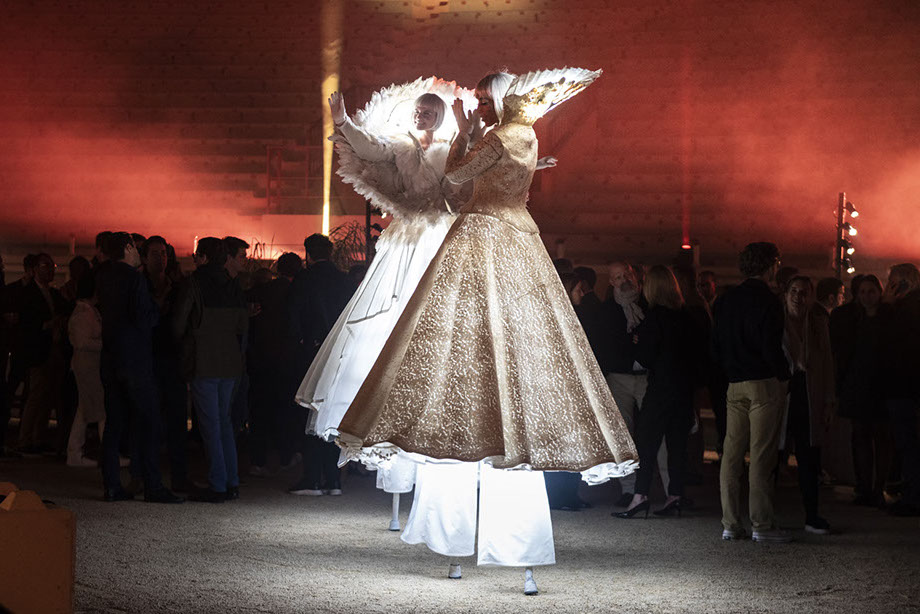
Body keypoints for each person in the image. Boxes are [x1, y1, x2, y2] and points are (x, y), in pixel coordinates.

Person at [337, 68, 636, 595]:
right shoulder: (527, 134)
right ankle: (514, 556)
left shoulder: (496, 135)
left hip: (479, 239)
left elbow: (454, 179)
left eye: (481, 96)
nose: (476, 102)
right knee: (521, 347)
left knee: (452, 349)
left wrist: (466, 135)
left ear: (496, 97)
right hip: (522, 242)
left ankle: (456, 547)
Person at [293, 81, 470, 512]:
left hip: (439, 234)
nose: (419, 116)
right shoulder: (401, 146)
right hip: (408, 236)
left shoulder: (451, 147)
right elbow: (368, 149)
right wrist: (342, 122)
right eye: (416, 111)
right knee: (389, 315)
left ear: (439, 116)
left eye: (427, 112)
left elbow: (477, 166)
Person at [712, 242, 791, 542]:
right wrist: (783, 376)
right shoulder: (769, 301)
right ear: (771, 265)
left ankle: (730, 523)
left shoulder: (725, 299)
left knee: (731, 455)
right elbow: (771, 346)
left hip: (734, 383)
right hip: (763, 383)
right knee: (761, 456)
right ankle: (762, 524)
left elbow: (715, 346)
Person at [95, 232, 183, 503]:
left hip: (110, 359)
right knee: (150, 422)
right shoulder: (134, 279)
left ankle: (112, 485)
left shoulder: (103, 277)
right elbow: (144, 319)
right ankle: (153, 486)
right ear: (129, 248)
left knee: (114, 424)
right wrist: (158, 307)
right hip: (135, 360)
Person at [615, 265, 696, 518]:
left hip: (660, 387)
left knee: (647, 441)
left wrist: (639, 342)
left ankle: (640, 496)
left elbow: (646, 357)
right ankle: (676, 495)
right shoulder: (687, 316)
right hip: (683, 387)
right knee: (677, 444)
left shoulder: (655, 317)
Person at [173, 237, 248, 503]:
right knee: (225, 423)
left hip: (204, 361)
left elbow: (178, 325)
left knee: (210, 426)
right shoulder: (234, 286)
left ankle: (217, 484)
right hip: (231, 362)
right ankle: (231, 481)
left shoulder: (193, 283)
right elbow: (242, 325)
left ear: (202, 257)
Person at [287, 233, 354, 496]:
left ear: (308, 254)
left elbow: (292, 314)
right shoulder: (344, 280)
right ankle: (333, 480)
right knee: (332, 413)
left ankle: (311, 479)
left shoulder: (305, 279)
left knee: (309, 411)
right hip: (339, 354)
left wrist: (302, 340)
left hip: (311, 352)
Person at [830, 274, 890, 507]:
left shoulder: (887, 318)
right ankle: (865, 486)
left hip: (881, 386)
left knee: (880, 437)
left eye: (871, 291)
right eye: (863, 292)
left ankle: (877, 487)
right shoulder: (852, 319)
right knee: (861, 436)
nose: (867, 296)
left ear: (879, 292)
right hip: (858, 385)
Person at [781, 276, 835, 534]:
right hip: (782, 394)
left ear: (811, 297)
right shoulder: (777, 321)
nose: (798, 297)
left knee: (808, 458)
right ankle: (765, 515)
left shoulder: (817, 323)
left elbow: (827, 364)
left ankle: (811, 515)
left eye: (803, 292)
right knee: (772, 456)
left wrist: (828, 400)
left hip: (807, 394)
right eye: (794, 291)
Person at [247, 252, 303, 475]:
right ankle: (286, 456)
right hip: (288, 361)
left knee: (259, 411)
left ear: (278, 269)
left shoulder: (263, 292)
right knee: (285, 411)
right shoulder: (296, 292)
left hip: (261, 359)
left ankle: (257, 461)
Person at [143, 235, 188, 492]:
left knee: (176, 421)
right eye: (155, 253)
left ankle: (178, 476)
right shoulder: (140, 285)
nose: (161, 258)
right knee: (149, 421)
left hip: (172, 360)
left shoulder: (177, 286)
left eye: (164, 253)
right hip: (149, 359)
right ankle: (148, 476)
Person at [16, 253, 69, 454]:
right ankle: (25, 439)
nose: (51, 269)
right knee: (36, 395)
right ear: (35, 269)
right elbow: (25, 322)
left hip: (53, 349)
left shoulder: (54, 294)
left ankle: (38, 437)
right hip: (38, 350)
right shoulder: (28, 293)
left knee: (48, 395)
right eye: (46, 265)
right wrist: (45, 325)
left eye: (52, 265)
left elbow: (65, 310)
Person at [880, 263, 920, 516]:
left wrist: (885, 302)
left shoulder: (902, 310)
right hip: (911, 386)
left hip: (903, 386)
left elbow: (889, 343)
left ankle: (913, 497)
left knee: (908, 443)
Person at [65, 274, 107, 467]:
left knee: (86, 409)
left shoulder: (86, 311)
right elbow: (82, 342)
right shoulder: (84, 313)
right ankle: (107, 452)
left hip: (88, 365)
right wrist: (105, 344)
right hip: (87, 366)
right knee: (99, 409)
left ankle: (75, 452)